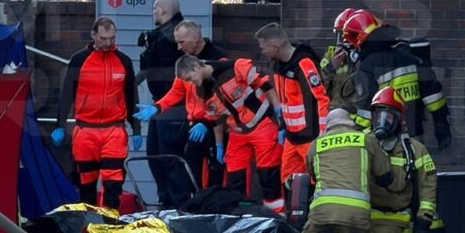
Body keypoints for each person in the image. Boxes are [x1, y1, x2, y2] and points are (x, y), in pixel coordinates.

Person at [289, 109, 394, 233]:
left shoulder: (317, 144)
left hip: (323, 213)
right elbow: (385, 176)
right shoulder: (366, 140)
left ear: (328, 126)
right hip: (356, 215)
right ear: (350, 122)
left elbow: (313, 175)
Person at [174, 55, 285, 211]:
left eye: (190, 78)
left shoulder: (234, 67)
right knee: (234, 178)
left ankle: (278, 215)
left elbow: (265, 84)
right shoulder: (202, 92)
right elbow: (216, 120)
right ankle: (239, 215)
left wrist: (279, 110)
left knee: (268, 174)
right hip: (237, 132)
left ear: (196, 67)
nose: (190, 83)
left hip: (262, 124)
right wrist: (219, 146)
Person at [52, 17, 141, 210]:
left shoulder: (123, 61)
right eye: (103, 38)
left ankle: (110, 223)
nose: (108, 42)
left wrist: (136, 129)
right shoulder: (79, 60)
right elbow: (67, 93)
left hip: (114, 130)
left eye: (112, 38)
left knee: (113, 183)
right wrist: (59, 125)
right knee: (86, 184)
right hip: (86, 130)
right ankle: (89, 227)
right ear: (93, 36)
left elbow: (131, 96)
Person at [135, 20, 228, 194]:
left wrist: (208, 123)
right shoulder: (185, 61)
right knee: (191, 173)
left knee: (215, 174)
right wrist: (158, 107)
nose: (178, 47)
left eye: (181, 42)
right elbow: (177, 91)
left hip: (216, 127)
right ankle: (194, 207)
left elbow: (223, 100)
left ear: (195, 37)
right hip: (194, 127)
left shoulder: (218, 59)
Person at [366, 88, 440, 233]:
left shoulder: (415, 150)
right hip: (367, 220)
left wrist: (424, 221)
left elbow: (428, 186)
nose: (382, 122)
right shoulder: (364, 144)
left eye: (388, 117)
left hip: (400, 222)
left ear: (400, 119)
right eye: (378, 116)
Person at [256, 23, 330, 187]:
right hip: (292, 136)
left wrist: (322, 135)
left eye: (263, 47)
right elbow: (287, 101)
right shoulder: (278, 65)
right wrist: (283, 124)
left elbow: (321, 100)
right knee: (288, 182)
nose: (262, 51)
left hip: (310, 137)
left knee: (315, 182)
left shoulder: (304, 64)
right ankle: (292, 212)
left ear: (275, 45)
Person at [137, 0, 187, 208]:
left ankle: (176, 205)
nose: (153, 13)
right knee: (155, 155)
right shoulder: (159, 36)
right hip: (160, 106)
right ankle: (165, 200)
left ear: (164, 11)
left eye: (155, 9)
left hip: (173, 107)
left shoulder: (171, 38)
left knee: (169, 158)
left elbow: (164, 75)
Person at [342, 10, 424, 135]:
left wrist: (356, 133)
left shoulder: (368, 66)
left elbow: (366, 108)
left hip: (386, 133)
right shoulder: (408, 57)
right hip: (414, 129)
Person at [320, 8, 360, 113]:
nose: (342, 42)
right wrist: (332, 67)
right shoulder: (330, 55)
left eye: (346, 37)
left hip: (355, 112)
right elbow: (319, 86)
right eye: (339, 36)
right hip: (333, 111)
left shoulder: (363, 56)